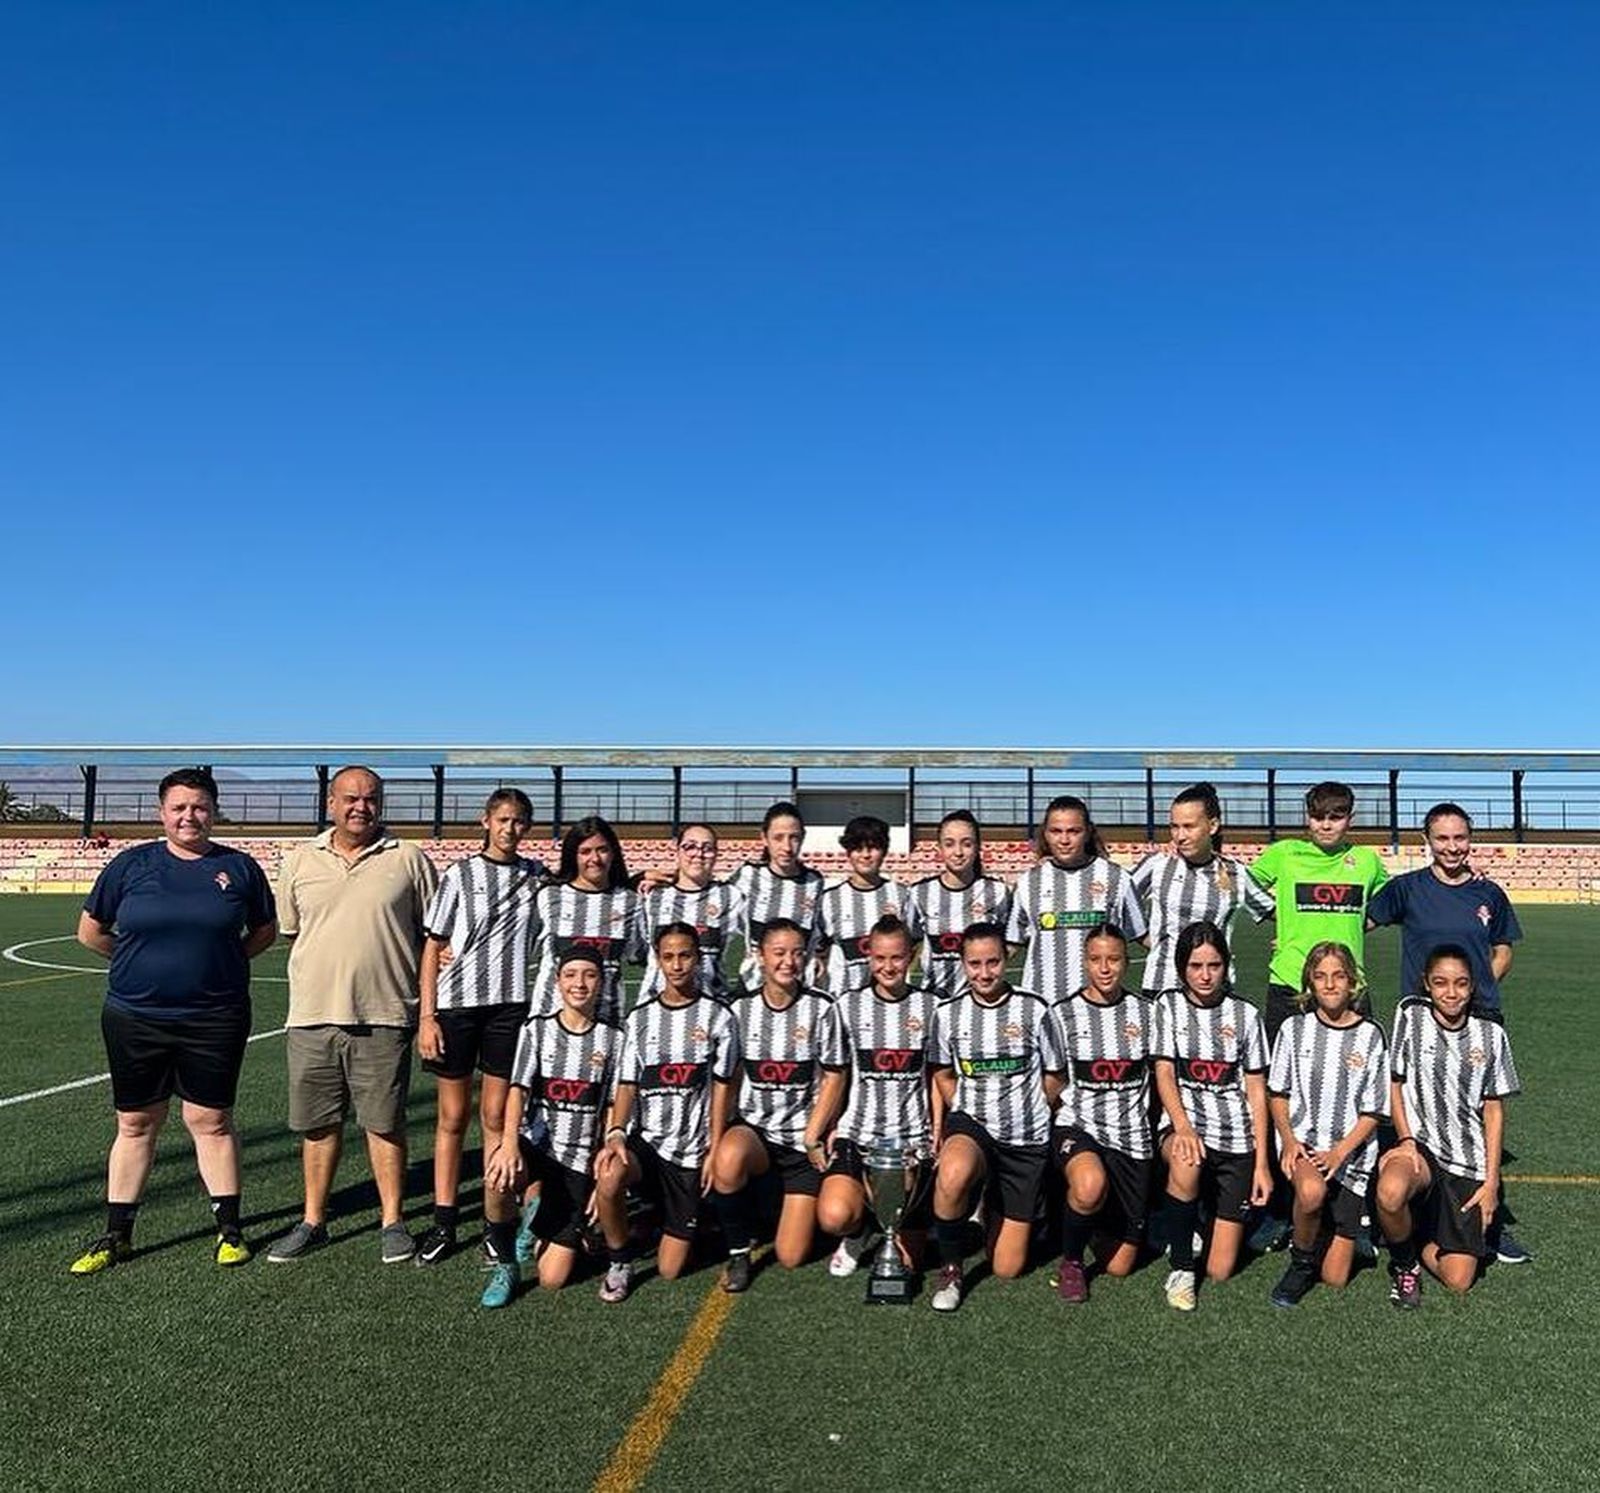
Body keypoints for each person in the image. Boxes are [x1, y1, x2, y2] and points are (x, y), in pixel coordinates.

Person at [70, 767, 277, 1274]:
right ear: (162, 812)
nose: (190, 816)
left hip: (216, 1017)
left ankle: (229, 1228)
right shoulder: (130, 866)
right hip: (135, 1017)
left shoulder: (240, 868)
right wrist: (133, 963)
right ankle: (116, 1234)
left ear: (214, 812)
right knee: (136, 1122)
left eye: (200, 806)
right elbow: (91, 932)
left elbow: (264, 932)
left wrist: (221, 966)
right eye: (179, 807)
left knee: (210, 1120)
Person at [267, 766, 439, 1265]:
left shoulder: (409, 858)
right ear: (329, 803)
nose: (359, 806)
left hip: (384, 1014)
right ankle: (313, 1220)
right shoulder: (300, 860)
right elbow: (292, 932)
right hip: (312, 1015)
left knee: (384, 1123)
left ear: (381, 803)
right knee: (317, 1125)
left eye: (369, 798)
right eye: (349, 798)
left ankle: (393, 1222)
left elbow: (433, 935)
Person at [1366, 802, 1528, 1263]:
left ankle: (1487, 1225)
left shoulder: (1489, 893)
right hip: (1421, 1024)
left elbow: (1503, 948)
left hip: (1478, 1017)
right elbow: (1360, 920)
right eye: (1443, 838)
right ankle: (1399, 1217)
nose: (1452, 847)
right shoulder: (1407, 889)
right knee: (1413, 1114)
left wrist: (1482, 989)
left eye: (1460, 838)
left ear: (1469, 839)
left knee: (1478, 1116)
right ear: (1427, 842)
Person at [414, 788, 547, 1266]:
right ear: (485, 822)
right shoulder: (459, 875)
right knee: (452, 1118)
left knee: (496, 1118)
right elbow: (432, 947)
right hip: (457, 1008)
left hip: (509, 1008)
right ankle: (444, 1222)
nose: (511, 829)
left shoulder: (536, 877)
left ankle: (497, 1225)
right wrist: (426, 1017)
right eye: (504, 820)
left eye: (520, 822)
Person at [592, 924, 741, 1300]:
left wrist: (715, 1147)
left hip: (691, 1154)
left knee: (670, 1269)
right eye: (669, 956)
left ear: (698, 957)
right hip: (649, 1147)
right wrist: (616, 1134)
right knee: (609, 1173)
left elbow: (724, 1087)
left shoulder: (719, 1017)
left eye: (685, 955)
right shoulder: (640, 1018)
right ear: (657, 960)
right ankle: (619, 1260)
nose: (677, 965)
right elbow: (627, 1084)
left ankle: (691, 1220)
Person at [927, 923, 1066, 1312]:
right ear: (963, 964)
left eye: (992, 962)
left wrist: (1033, 1106)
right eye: (974, 964)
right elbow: (941, 1071)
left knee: (1007, 1267)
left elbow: (1056, 1073)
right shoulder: (948, 1013)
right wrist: (963, 1107)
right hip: (974, 1126)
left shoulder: (1034, 1009)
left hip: (1024, 1136)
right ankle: (952, 1268)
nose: (984, 973)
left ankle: (991, 1202)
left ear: (1007, 959)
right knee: (953, 1172)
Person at [1376, 945, 1520, 1308]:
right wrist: (1405, 1139)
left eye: (1460, 983)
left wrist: (1491, 1183)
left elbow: (1494, 1111)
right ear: (1426, 984)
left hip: (1466, 1161)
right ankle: (1405, 1264)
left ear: (1472, 987)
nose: (1450, 992)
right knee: (1391, 1192)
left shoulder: (1490, 1034)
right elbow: (1394, 1081)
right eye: (1440, 983)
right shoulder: (1410, 1015)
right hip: (1420, 1149)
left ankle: (1420, 1231)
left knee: (1458, 1281)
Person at [482, 946, 626, 1306]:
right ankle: (506, 1264)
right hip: (537, 1147)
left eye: (590, 975)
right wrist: (510, 1144)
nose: (580, 983)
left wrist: (598, 1176)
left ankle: (540, 1217)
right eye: (571, 975)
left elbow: (611, 1108)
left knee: (552, 1279)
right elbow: (518, 1091)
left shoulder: (614, 1039)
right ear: (558, 981)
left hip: (576, 1162)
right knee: (497, 1175)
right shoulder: (537, 1030)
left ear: (601, 983)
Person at [708, 919, 841, 1290]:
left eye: (797, 953)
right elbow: (727, 1079)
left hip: (801, 1142)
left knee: (791, 1256)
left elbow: (834, 1075)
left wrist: (814, 1133)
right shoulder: (738, 1010)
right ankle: (738, 1253)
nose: (789, 962)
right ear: (760, 957)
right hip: (758, 1134)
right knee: (728, 1158)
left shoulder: (822, 1008)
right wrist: (715, 1140)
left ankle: (778, 1206)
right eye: (779, 953)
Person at [814, 915, 941, 1284]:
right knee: (834, 1215)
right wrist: (827, 1128)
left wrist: (937, 1127)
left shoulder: (932, 1007)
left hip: (911, 1139)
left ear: (911, 957)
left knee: (909, 1263)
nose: (889, 967)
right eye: (881, 958)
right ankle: (857, 1233)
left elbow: (936, 1075)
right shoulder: (847, 1007)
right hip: (860, 1134)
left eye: (897, 958)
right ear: (869, 956)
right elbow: (837, 1075)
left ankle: (889, 1225)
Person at [1151, 920, 1271, 1310]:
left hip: (1235, 1136)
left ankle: (1193, 1223)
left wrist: (1262, 1163)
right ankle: (1182, 1267)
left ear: (1226, 965)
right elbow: (1165, 1073)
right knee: (1185, 1160)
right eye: (1195, 967)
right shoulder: (1168, 1006)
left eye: (1214, 965)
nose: (1205, 976)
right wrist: (1182, 1126)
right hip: (1187, 1127)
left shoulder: (1246, 1014)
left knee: (1220, 1269)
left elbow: (1256, 1090)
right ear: (1181, 968)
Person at [1264, 942, 1389, 1307]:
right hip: (1304, 1142)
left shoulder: (1370, 1034)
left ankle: (1326, 1230)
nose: (1330, 984)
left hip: (1349, 1154)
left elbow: (1373, 1111)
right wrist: (1287, 1140)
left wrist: (1339, 1153)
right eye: (1320, 977)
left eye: (1338, 976)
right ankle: (1300, 1264)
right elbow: (1278, 1092)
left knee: (1335, 1278)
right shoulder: (1293, 1028)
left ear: (1352, 982)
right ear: (1309, 984)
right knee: (1312, 1192)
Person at [1049, 923, 1156, 1304]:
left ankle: (1089, 1221)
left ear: (1128, 962)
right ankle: (1072, 1261)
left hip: (1131, 1139)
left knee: (1121, 1264)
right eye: (1095, 959)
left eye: (1113, 959)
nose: (1105, 968)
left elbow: (1160, 1079)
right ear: (1085, 962)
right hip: (1080, 1129)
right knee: (1090, 1183)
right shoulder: (1062, 1014)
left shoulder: (1146, 1013)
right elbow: (1053, 1080)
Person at [1246, 781, 1388, 1046]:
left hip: (1350, 983)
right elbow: (1242, 885)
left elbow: (1390, 901)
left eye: (1335, 818)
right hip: (1290, 980)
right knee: (1281, 1075)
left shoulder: (1367, 860)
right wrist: (1281, 917)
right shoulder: (1285, 854)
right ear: (1307, 817)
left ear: (1350, 820)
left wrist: (1361, 923)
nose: (1325, 825)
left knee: (1357, 1068)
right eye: (1318, 817)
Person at [1131, 782, 1273, 996]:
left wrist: (1289, 937)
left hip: (1216, 989)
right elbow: (1120, 900)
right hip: (1162, 987)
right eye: (1174, 826)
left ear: (1213, 826)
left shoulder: (1235, 873)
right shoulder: (1157, 864)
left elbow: (1275, 911)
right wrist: (1146, 939)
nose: (1179, 836)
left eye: (1189, 826)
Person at [1006, 796, 1146, 1004]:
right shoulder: (1029, 882)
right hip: (1042, 1005)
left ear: (1088, 832)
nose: (1064, 840)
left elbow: (1143, 937)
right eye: (1056, 831)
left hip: (1100, 1006)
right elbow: (1010, 945)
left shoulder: (1116, 878)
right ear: (1045, 834)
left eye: (1073, 831)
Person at [529, 815, 643, 1027]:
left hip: (607, 1023)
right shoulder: (549, 896)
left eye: (602, 850)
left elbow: (644, 955)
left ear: (613, 854)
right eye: (585, 851)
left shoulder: (630, 902)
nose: (595, 858)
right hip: (550, 1020)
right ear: (573, 855)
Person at [906, 811, 1012, 998]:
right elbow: (909, 944)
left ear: (978, 847)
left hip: (982, 1001)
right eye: (949, 844)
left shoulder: (997, 892)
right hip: (935, 999)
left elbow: (1010, 943)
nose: (958, 852)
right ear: (939, 848)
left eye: (967, 844)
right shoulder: (919, 893)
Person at [635, 823, 745, 1002]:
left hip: (712, 1006)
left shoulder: (731, 897)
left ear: (716, 854)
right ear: (677, 850)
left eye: (707, 848)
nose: (698, 853)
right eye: (690, 846)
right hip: (655, 1006)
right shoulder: (652, 896)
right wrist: (638, 878)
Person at [730, 802, 826, 992]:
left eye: (794, 838)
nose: (787, 847)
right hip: (752, 986)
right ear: (764, 838)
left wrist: (821, 957)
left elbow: (822, 935)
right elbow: (709, 896)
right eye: (778, 838)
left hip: (799, 989)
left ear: (803, 838)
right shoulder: (747, 875)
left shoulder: (814, 883)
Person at [816, 815, 915, 995]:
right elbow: (818, 949)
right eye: (858, 848)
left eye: (873, 848)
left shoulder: (901, 895)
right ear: (848, 853)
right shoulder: (830, 899)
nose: (866, 855)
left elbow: (914, 944)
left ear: (884, 851)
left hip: (891, 998)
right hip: (844, 999)